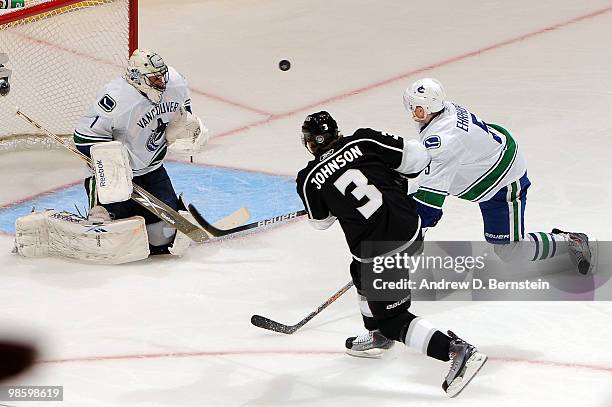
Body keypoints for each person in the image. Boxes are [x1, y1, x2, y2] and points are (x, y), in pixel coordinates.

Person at [296, 111, 487, 397]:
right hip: (410, 229)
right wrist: (392, 179)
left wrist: (333, 201)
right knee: (358, 271)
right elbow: (418, 157)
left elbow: (320, 222)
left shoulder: (309, 179)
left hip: (381, 252)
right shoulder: (364, 139)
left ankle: (455, 350)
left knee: (394, 318)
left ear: (310, 143)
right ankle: (377, 335)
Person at [403, 78, 592, 273]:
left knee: (511, 251)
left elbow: (429, 207)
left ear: (422, 110)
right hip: (485, 163)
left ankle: (570, 240)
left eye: (412, 106)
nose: (409, 110)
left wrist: (407, 238)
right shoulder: (443, 111)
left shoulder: (442, 140)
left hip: (503, 179)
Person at [73, 48, 209, 256]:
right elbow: (84, 138)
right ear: (138, 79)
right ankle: (99, 211)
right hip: (115, 179)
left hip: (152, 169)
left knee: (163, 238)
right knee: (117, 240)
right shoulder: (117, 99)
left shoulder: (175, 82)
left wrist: (185, 127)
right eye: (155, 79)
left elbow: (184, 110)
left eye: (161, 77)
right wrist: (115, 164)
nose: (162, 83)